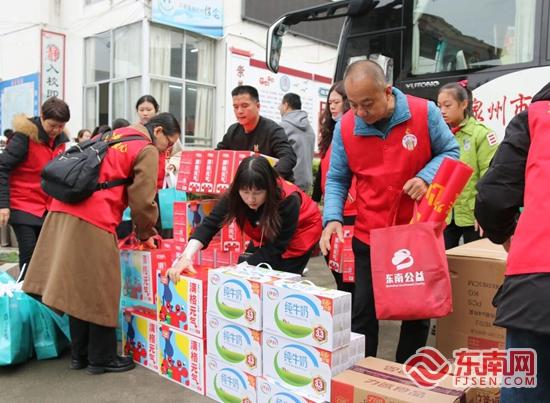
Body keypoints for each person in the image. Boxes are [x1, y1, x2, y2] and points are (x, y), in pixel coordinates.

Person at [319, 60, 459, 363]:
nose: (360, 112)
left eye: (367, 104)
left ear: (387, 91)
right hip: (370, 234)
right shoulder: (346, 126)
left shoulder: (424, 112)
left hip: (416, 232)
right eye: (353, 104)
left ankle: (407, 372)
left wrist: (426, 177)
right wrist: (332, 218)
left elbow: (451, 151)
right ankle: (364, 373)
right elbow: (337, 177)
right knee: (363, 311)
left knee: (417, 312)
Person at [23, 113, 181, 375]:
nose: (168, 149)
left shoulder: (110, 135)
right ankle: (102, 357)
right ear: (159, 131)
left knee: (78, 285)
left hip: (63, 209)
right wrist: (145, 233)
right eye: (169, 143)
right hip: (94, 217)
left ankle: (80, 354)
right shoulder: (146, 148)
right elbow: (143, 200)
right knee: (102, 286)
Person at [475, 82, 550, 402]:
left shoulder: (536, 117)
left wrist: (506, 233)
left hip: (534, 288)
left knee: (524, 387)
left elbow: (493, 198)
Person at [167, 155, 322, 281]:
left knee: (278, 278)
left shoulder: (288, 200)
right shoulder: (234, 195)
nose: (250, 199)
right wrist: (186, 255)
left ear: (269, 187)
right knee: (247, 268)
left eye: (258, 193)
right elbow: (211, 223)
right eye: (245, 192)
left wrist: (235, 271)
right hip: (266, 232)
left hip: (300, 232)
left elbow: (276, 248)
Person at [0, 97, 70, 270]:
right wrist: (3, 205)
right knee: (29, 255)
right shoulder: (24, 137)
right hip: (22, 204)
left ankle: (38, 287)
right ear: (42, 116)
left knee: (45, 256)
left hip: (47, 207)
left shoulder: (61, 141)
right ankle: (26, 286)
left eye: (61, 126)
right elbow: (2, 167)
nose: (56, 130)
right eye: (52, 125)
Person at [437, 82, 498, 249]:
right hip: (446, 213)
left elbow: (489, 174)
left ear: (464, 104)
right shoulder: (440, 135)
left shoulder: (481, 134)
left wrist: (484, 212)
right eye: (439, 106)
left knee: (476, 259)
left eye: (447, 105)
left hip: (474, 214)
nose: (442, 111)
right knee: (444, 259)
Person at [312, 81, 356, 293]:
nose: (332, 107)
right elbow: (325, 172)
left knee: (349, 275)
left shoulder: (354, 130)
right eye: (329, 102)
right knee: (336, 265)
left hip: (353, 212)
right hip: (333, 210)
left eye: (336, 102)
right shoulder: (331, 134)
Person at [216, 85, 297, 182]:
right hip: (245, 186)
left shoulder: (273, 130)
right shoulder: (233, 130)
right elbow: (218, 154)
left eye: (245, 106)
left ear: (258, 106)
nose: (239, 111)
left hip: (272, 186)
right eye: (236, 107)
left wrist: (268, 179)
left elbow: (288, 157)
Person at [279, 92, 315, 192]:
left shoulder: (283, 127)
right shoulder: (309, 128)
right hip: (306, 182)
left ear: (286, 105)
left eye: (281, 104)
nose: (279, 108)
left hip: (289, 182)